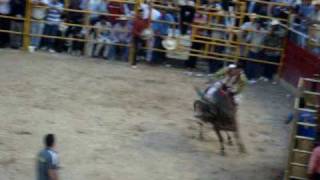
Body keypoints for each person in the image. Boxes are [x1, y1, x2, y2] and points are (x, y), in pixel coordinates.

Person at [240, 14, 267, 84]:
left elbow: (263, 40)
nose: (258, 25)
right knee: (250, 63)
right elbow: (248, 38)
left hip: (257, 49)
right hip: (253, 48)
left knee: (253, 64)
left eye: (259, 24)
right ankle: (248, 77)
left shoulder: (263, 31)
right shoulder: (256, 30)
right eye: (257, 23)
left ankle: (250, 77)